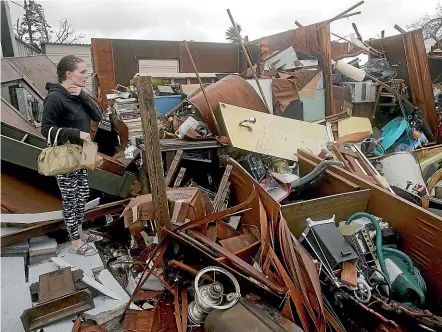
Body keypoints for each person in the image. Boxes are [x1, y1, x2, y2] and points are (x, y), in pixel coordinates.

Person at [41, 55, 103, 256]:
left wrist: (83, 95)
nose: (86, 75)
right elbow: (46, 130)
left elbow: (98, 116)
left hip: (85, 150)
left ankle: (81, 233)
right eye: (82, 72)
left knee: (83, 194)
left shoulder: (78, 94)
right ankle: (75, 241)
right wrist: (76, 133)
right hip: (68, 153)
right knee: (71, 198)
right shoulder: (55, 97)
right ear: (69, 73)